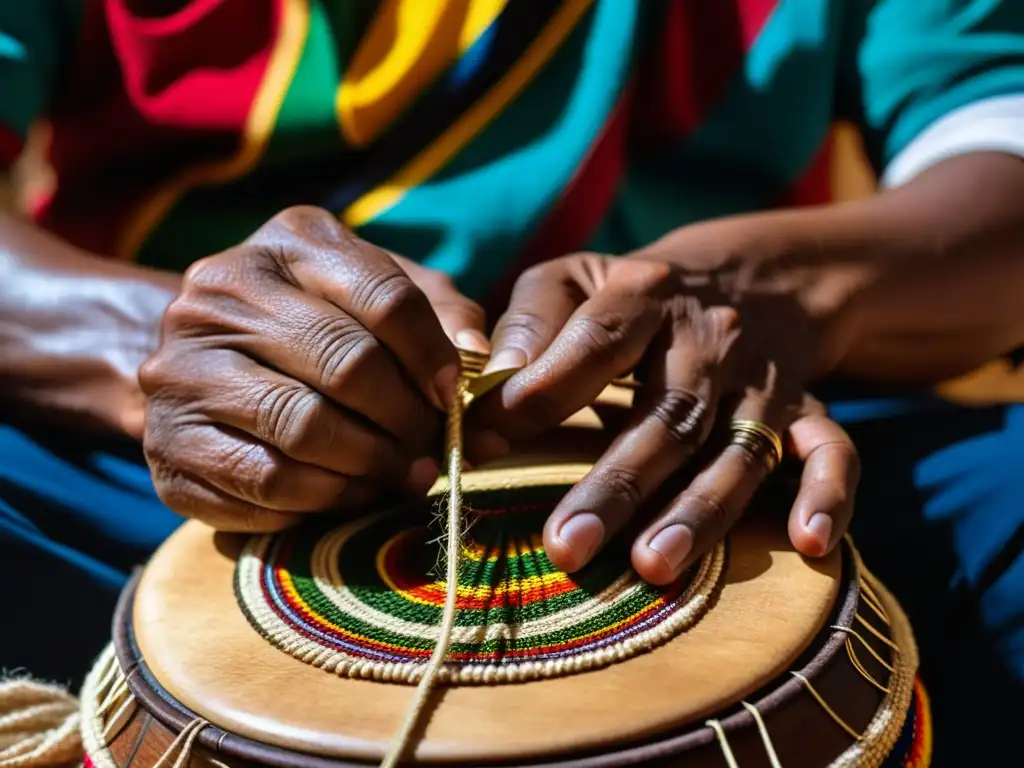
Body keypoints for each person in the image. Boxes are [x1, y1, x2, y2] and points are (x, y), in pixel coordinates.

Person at [1, 1, 1023, 763]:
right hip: (171, 474)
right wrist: (168, 351)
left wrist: (782, 289)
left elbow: (994, 145)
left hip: (727, 446)